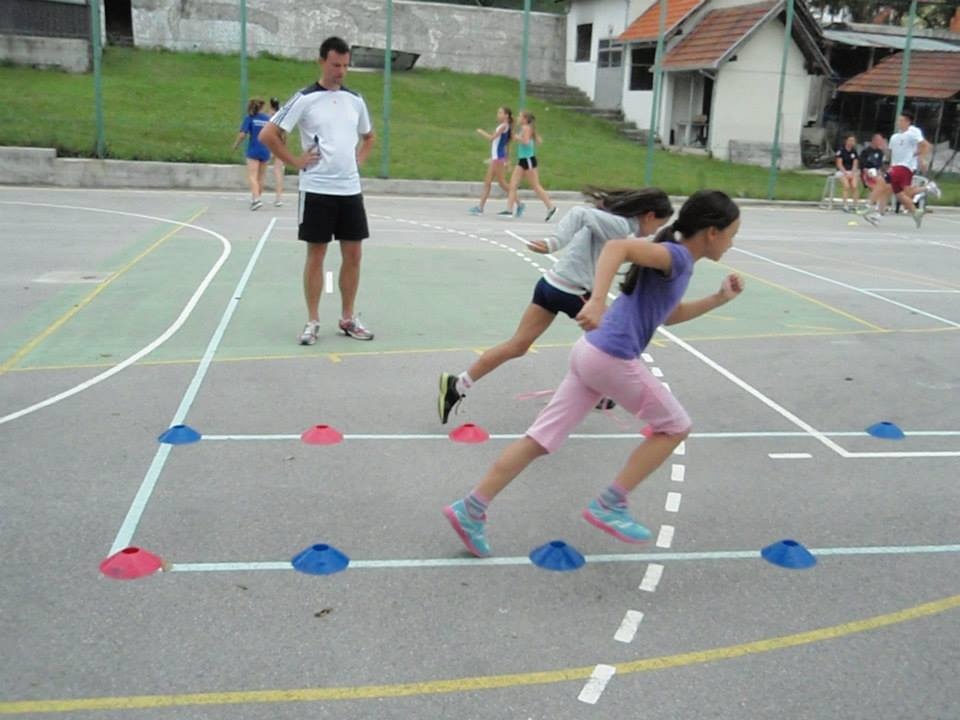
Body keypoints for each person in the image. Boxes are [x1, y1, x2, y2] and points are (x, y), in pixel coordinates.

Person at [443, 191, 745, 557]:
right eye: (731, 234)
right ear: (712, 232)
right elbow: (616, 247)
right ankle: (610, 503)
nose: (732, 243)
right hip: (611, 358)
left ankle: (471, 508)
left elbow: (668, 314)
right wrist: (598, 300)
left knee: (539, 439)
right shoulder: (676, 256)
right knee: (676, 427)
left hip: (590, 354)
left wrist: (718, 299)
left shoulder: (677, 260)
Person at [438, 187, 673, 424]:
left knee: (518, 345)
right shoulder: (621, 226)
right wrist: (554, 242)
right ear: (649, 216)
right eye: (659, 225)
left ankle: (458, 384)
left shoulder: (616, 224)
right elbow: (579, 213)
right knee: (617, 341)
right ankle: (606, 397)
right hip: (572, 291)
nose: (655, 231)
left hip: (550, 285)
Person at [260, 36, 376, 345]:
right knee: (317, 254)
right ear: (322, 62)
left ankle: (348, 317)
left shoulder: (355, 100)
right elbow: (268, 134)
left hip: (349, 190)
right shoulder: (304, 99)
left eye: (346, 66)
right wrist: (295, 161)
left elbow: (369, 137)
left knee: (354, 254)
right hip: (317, 189)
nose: (341, 71)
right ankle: (312, 320)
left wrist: (358, 162)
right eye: (336, 65)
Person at [864, 111, 934, 228]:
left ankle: (868, 206)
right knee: (901, 194)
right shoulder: (894, 137)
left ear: (908, 122)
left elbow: (926, 145)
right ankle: (916, 209)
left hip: (904, 167)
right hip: (895, 167)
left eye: (901, 120)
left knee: (882, 183)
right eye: (898, 120)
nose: (899, 122)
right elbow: (890, 155)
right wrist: (883, 148)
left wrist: (921, 158)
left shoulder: (912, 132)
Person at [499, 111, 557, 222]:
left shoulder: (526, 128)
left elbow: (525, 142)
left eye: (520, 116)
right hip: (522, 160)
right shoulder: (526, 128)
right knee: (513, 184)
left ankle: (551, 207)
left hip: (528, 160)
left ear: (525, 119)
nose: (518, 118)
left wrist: (517, 137)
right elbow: (537, 140)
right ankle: (509, 210)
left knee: (535, 185)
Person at [469, 107, 513, 215]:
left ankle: (519, 202)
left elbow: (491, 138)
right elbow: (503, 144)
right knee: (488, 182)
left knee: (502, 183)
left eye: (500, 112)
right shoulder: (504, 126)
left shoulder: (503, 126)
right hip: (496, 158)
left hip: (498, 158)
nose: (498, 114)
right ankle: (480, 207)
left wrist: (481, 132)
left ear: (506, 115)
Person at [233, 98, 271, 211]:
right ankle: (257, 198)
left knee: (252, 176)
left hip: (254, 149)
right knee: (261, 177)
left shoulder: (249, 118)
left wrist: (236, 145)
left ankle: (256, 199)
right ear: (262, 107)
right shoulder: (268, 119)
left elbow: (242, 134)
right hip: (265, 149)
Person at [834, 134, 860, 212]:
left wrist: (852, 172)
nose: (852, 142)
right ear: (846, 141)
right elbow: (839, 164)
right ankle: (845, 205)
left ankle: (855, 205)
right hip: (842, 171)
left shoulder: (854, 151)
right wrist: (845, 173)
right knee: (846, 186)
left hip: (851, 171)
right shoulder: (841, 151)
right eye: (850, 140)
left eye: (853, 141)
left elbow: (855, 164)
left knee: (854, 186)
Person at [269, 97, 286, 207]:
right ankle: (278, 198)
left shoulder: (270, 116)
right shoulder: (282, 116)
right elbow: (284, 134)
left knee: (259, 169)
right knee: (278, 172)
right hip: (280, 145)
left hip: (271, 144)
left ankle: (256, 195)